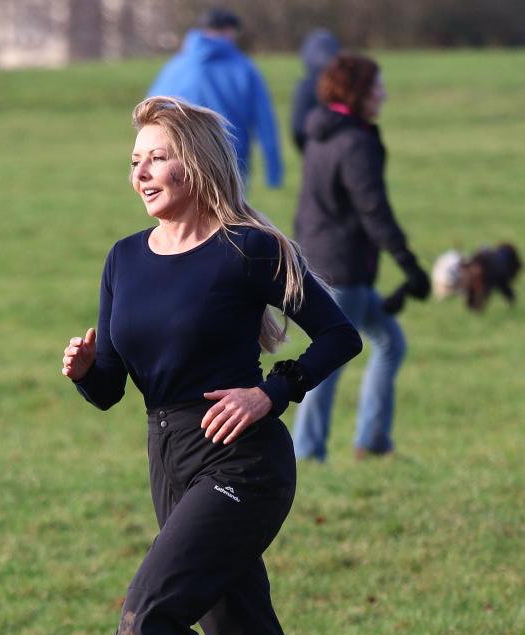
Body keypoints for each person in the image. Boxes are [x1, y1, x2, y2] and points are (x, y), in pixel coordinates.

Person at [62, 95, 394, 635]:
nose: (141, 170)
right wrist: (84, 373)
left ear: (196, 162)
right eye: (135, 158)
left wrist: (271, 392)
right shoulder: (123, 259)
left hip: (244, 464)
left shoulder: (247, 249)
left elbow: (341, 334)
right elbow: (113, 387)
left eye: (158, 155)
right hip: (170, 463)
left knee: (145, 623)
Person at [292, 53, 430, 461]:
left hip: (326, 263)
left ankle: (371, 441)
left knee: (390, 342)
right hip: (342, 271)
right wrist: (410, 264)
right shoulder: (353, 142)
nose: (383, 94)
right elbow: (374, 210)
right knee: (327, 363)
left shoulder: (322, 133)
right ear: (358, 92)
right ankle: (306, 452)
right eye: (377, 87)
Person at [147, 8, 283, 188]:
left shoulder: (174, 68)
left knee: (184, 215)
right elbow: (264, 120)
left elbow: (149, 117)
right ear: (228, 31)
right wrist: (273, 169)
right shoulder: (244, 68)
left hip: (180, 161)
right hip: (230, 162)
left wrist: (151, 159)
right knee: (227, 215)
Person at [290, 28, 340, 153]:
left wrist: (310, 152)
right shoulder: (344, 87)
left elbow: (297, 128)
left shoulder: (304, 87)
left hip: (313, 153)